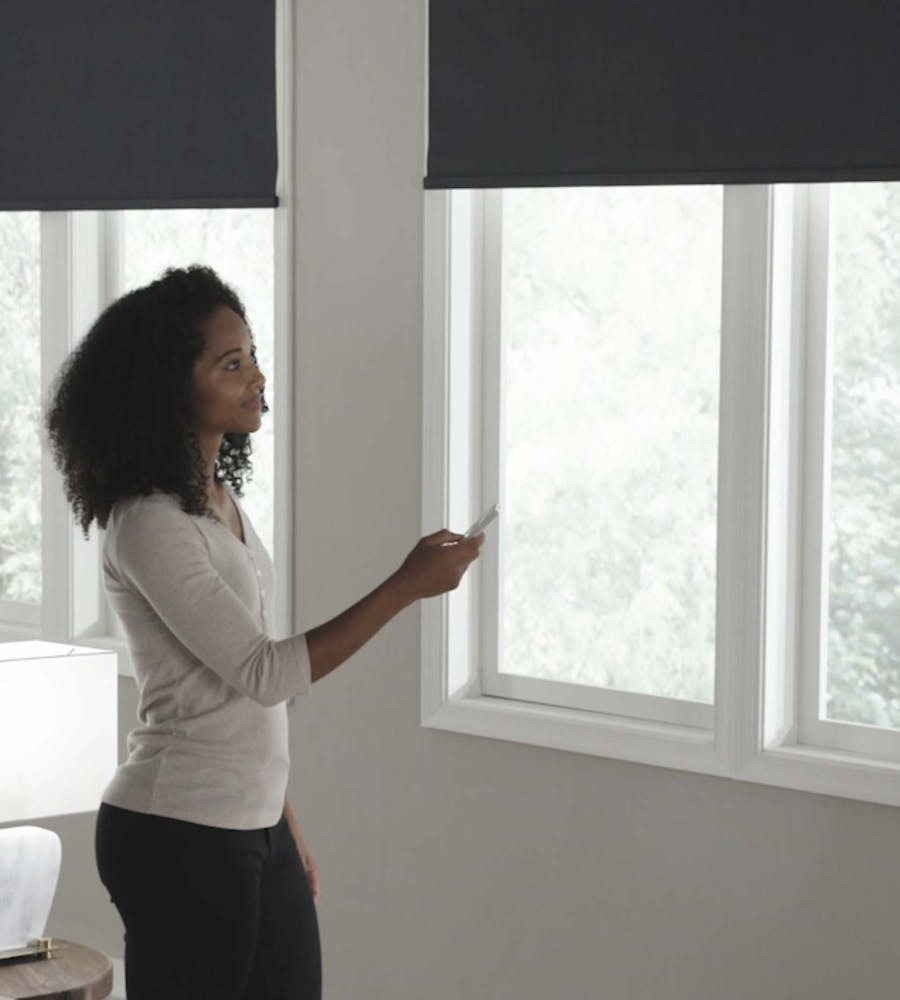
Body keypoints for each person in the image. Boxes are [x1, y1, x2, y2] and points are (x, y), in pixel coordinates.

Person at [43, 264, 484, 1000]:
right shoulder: (149, 521)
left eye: (251, 354)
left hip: (251, 825)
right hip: (177, 830)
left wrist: (279, 818)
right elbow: (263, 672)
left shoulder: (214, 498)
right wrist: (406, 585)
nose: (255, 375)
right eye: (231, 362)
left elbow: (235, 698)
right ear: (169, 385)